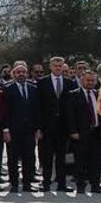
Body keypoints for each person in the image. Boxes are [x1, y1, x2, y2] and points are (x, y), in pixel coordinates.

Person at [36, 56, 76, 192]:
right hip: (47, 127)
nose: (58, 68)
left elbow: (72, 108)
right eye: (55, 66)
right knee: (47, 157)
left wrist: (72, 129)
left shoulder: (69, 83)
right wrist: (39, 128)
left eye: (60, 66)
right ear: (51, 67)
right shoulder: (42, 82)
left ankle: (62, 184)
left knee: (61, 157)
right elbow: (39, 107)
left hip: (63, 127)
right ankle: (46, 183)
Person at [64, 69, 101, 194]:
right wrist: (72, 131)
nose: (90, 83)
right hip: (80, 134)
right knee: (80, 161)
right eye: (88, 80)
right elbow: (70, 115)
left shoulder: (99, 95)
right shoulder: (73, 95)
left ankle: (96, 186)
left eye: (93, 80)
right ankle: (81, 185)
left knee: (97, 161)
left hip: (97, 133)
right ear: (82, 80)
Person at [2, 62, 39, 193]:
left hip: (29, 130)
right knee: (12, 158)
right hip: (13, 130)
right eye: (18, 72)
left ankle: (27, 183)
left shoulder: (33, 88)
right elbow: (4, 111)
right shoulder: (7, 88)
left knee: (28, 157)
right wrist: (5, 130)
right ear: (13, 74)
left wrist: (37, 129)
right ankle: (14, 184)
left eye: (23, 72)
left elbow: (37, 110)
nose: (21, 74)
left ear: (27, 74)